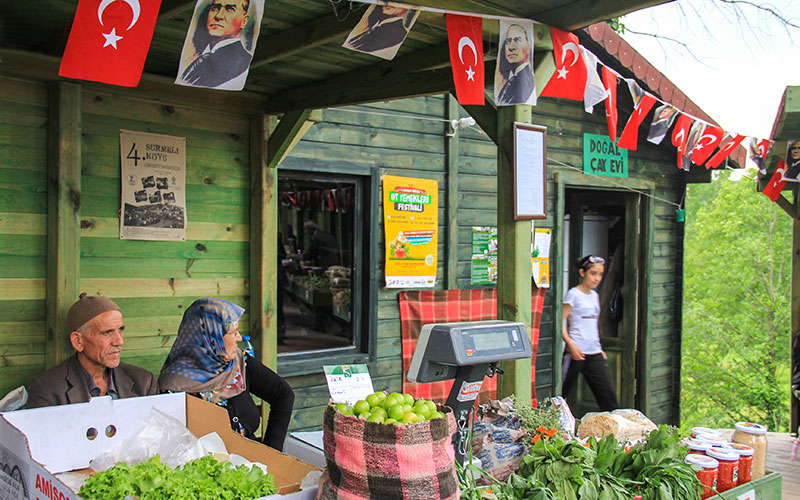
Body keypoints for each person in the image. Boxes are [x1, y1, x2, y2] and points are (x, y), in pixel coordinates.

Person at [158, 297, 294, 450]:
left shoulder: (238, 363)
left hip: (253, 466)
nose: (239, 338)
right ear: (211, 338)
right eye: (233, 332)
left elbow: (283, 394)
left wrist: (272, 452)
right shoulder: (174, 388)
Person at [26, 293, 158, 408]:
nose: (119, 341)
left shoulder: (144, 382)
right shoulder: (48, 389)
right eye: (107, 333)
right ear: (78, 341)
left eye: (120, 330)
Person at [561, 255, 620, 411]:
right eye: (593, 273)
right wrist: (571, 347)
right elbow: (561, 322)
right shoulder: (573, 294)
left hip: (594, 353)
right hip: (576, 353)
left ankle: (612, 432)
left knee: (608, 398)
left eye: (600, 274)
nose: (597, 278)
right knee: (560, 395)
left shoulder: (595, 296)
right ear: (582, 273)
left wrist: (599, 348)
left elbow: (593, 324)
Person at [178, 0, 253, 89]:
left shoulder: (241, 61)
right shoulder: (201, 57)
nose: (218, 16)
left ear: (244, 21)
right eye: (215, 8)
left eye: (230, 9)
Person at [344, 5, 418, 55]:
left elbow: (365, 25)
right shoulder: (375, 22)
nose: (387, 5)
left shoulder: (396, 31)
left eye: (394, 6)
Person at [496, 24, 535, 106]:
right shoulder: (512, 78)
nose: (511, 47)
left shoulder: (525, 80)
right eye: (508, 41)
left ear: (528, 46)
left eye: (517, 40)